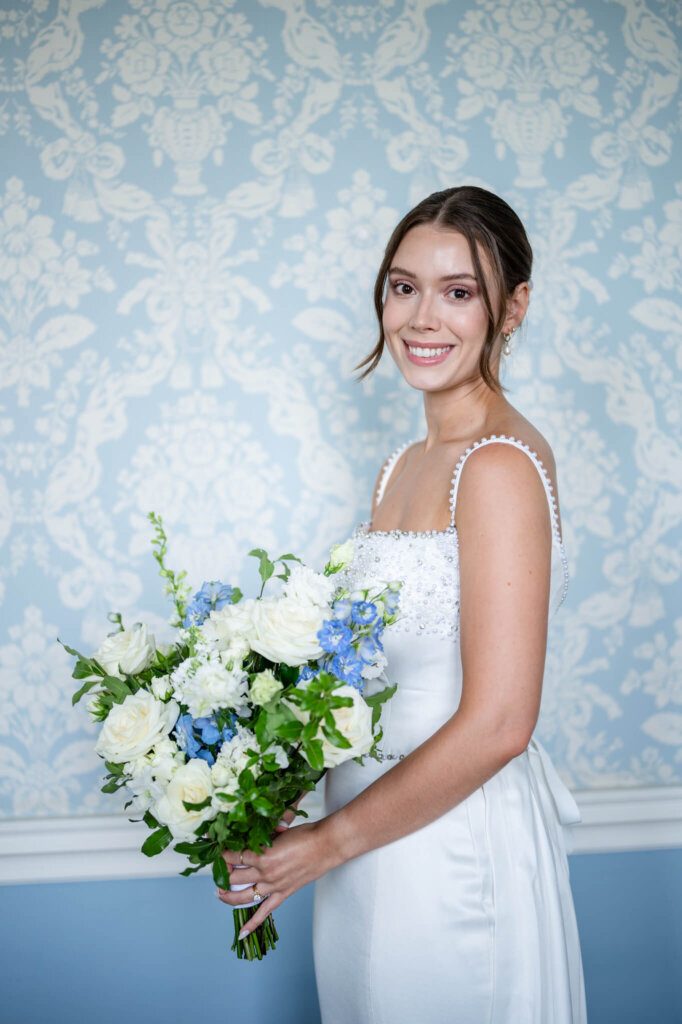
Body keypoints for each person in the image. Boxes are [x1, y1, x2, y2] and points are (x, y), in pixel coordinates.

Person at [216, 185, 588, 1023]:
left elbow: (501, 722)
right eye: (402, 285)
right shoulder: (402, 466)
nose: (422, 318)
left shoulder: (497, 468)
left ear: (513, 307)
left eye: (459, 292)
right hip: (364, 842)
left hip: (447, 854)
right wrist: (270, 784)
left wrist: (323, 845)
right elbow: (363, 673)